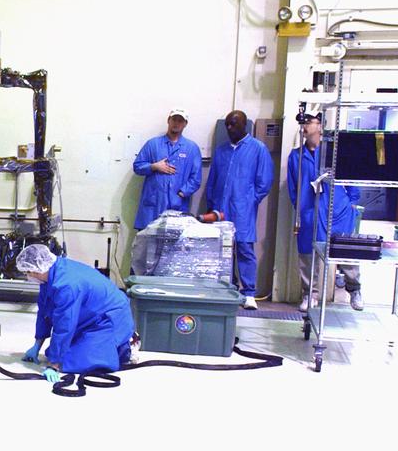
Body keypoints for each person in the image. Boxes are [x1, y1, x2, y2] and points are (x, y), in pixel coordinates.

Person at [17, 244, 135, 382]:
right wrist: (37, 344)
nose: (28, 276)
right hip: (90, 317)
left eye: (28, 272)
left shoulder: (66, 285)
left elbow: (65, 324)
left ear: (38, 269)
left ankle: (124, 347)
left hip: (110, 318)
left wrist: (54, 365)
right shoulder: (51, 275)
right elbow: (44, 311)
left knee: (69, 362)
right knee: (52, 352)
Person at [286, 111, 363, 312]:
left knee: (346, 251)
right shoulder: (297, 156)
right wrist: (300, 207)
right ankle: (310, 294)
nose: (305, 127)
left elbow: (352, 178)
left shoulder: (334, 153)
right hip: (310, 212)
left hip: (338, 210)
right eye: (303, 123)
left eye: (309, 123)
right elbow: (293, 187)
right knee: (307, 255)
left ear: (320, 126)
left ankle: (354, 289)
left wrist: (352, 202)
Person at [204, 110, 273, 310]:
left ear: (244, 125)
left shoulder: (258, 149)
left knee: (244, 248)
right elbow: (213, 179)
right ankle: (228, 288)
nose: (229, 128)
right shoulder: (221, 151)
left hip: (243, 209)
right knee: (223, 250)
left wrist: (250, 201)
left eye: (233, 124)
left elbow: (264, 182)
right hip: (220, 208)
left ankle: (249, 292)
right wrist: (211, 203)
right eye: (227, 124)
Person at [132, 110, 203, 229]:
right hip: (153, 205)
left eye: (180, 120)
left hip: (177, 205)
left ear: (185, 124)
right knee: (148, 244)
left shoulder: (192, 148)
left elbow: (196, 178)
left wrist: (181, 194)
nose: (176, 123)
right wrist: (154, 166)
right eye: (174, 119)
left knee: (173, 244)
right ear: (168, 121)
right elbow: (137, 166)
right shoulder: (153, 144)